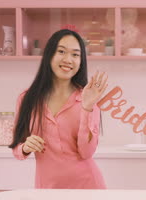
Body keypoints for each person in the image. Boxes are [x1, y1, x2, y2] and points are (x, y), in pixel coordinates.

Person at [9, 29, 108, 189]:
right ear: (49, 55)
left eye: (75, 55)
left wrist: (87, 107)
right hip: (48, 188)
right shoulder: (27, 99)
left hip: (87, 187)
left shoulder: (87, 98)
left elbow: (87, 152)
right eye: (61, 51)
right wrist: (25, 147)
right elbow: (16, 147)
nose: (68, 59)